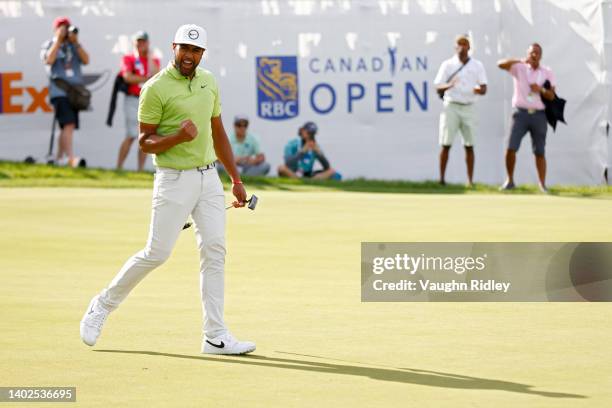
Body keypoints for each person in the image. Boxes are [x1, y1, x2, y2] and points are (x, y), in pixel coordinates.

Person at [80, 24, 256, 355]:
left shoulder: (209, 82)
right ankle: (102, 305)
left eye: (195, 51)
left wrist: (235, 178)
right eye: (184, 49)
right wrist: (177, 136)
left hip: (208, 179)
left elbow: (217, 132)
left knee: (215, 250)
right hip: (173, 178)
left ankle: (215, 335)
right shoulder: (155, 88)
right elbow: (145, 141)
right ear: (174, 47)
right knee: (157, 253)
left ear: (202, 53)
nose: (189, 56)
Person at [498, 43, 556, 193]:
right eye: (532, 53)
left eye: (537, 53)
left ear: (541, 55)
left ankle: (542, 184)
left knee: (540, 151)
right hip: (520, 113)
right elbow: (500, 64)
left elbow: (551, 95)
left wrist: (541, 89)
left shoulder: (547, 72)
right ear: (527, 54)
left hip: (539, 115)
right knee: (511, 147)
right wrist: (519, 60)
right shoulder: (519, 67)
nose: (534, 55)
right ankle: (510, 181)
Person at [433, 34, 488, 187]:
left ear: (469, 47)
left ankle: (470, 181)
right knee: (446, 144)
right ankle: (441, 180)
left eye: (465, 44)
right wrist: (449, 85)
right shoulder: (448, 64)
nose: (462, 47)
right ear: (455, 46)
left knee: (469, 145)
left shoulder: (477, 65)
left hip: (469, 106)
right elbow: (438, 85)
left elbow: (484, 88)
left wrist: (476, 90)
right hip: (451, 106)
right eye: (459, 44)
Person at [41, 16, 89, 167]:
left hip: (74, 93)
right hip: (59, 91)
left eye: (66, 28)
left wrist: (76, 42)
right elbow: (49, 60)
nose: (65, 31)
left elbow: (86, 60)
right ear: (55, 30)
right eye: (62, 28)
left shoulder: (74, 46)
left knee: (67, 127)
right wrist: (58, 40)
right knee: (68, 124)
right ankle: (70, 159)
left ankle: (59, 158)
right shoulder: (49, 44)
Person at [116, 31, 160, 171]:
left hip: (147, 101)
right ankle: (119, 167)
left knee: (145, 136)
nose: (141, 44)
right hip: (132, 99)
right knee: (131, 135)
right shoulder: (128, 58)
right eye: (138, 41)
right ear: (134, 43)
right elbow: (128, 77)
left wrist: (148, 57)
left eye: (143, 41)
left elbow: (156, 75)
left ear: (147, 43)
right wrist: (146, 79)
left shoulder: (153, 59)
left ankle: (140, 169)